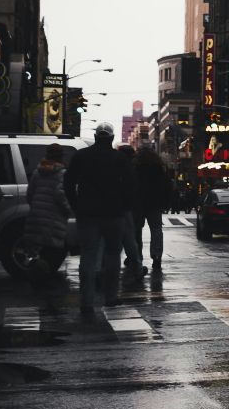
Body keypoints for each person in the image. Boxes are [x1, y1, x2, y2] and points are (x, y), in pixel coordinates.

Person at [65, 123, 134, 320]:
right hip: (114, 213)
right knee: (113, 255)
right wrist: (125, 206)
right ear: (111, 139)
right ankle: (110, 296)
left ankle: (86, 302)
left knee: (88, 256)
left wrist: (75, 205)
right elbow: (131, 185)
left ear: (96, 137)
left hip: (87, 213)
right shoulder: (120, 158)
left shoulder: (81, 156)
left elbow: (69, 182)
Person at [22, 143, 72, 284]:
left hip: (37, 216)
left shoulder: (38, 171)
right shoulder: (61, 173)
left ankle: (39, 275)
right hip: (54, 218)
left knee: (44, 249)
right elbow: (60, 195)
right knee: (57, 250)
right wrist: (69, 209)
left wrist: (36, 207)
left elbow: (29, 194)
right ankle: (43, 278)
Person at [133, 148, 174, 288]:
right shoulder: (159, 169)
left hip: (138, 203)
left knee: (136, 230)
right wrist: (166, 202)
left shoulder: (136, 168)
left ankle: (137, 257)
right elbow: (167, 186)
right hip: (155, 203)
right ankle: (156, 256)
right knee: (156, 230)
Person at [115, 145, 145, 289]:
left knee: (113, 244)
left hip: (115, 209)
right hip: (129, 209)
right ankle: (137, 268)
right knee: (131, 240)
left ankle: (101, 272)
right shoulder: (133, 169)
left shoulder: (113, 168)